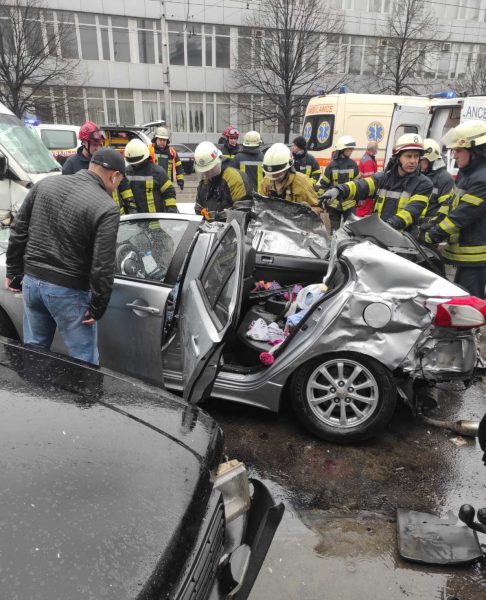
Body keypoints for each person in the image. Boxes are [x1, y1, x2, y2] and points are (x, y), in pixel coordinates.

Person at [5, 148, 124, 365]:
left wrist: (13, 270)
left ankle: (35, 397)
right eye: (119, 181)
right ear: (114, 176)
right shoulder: (107, 207)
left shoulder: (45, 184)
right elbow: (102, 264)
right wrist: (98, 306)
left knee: (35, 354)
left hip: (32, 284)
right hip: (70, 292)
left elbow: (19, 230)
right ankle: (84, 400)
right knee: (83, 362)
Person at [418, 121, 486, 298]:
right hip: (463, 253)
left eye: (458, 150)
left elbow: (462, 215)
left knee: (469, 305)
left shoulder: (482, 179)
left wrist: (433, 235)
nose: (454, 155)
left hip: (476, 257)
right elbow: (450, 203)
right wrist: (431, 223)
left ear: (475, 150)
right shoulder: (467, 173)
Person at [322, 133, 432, 232]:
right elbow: (361, 185)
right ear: (397, 157)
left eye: (416, 156)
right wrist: (339, 190)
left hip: (404, 244)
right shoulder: (383, 178)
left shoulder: (424, 184)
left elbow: (411, 212)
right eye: (408, 156)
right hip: (380, 236)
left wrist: (387, 225)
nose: (413, 161)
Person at [194, 141, 251, 221]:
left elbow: (243, 212)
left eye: (210, 169)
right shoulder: (205, 181)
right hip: (210, 231)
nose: (207, 174)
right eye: (204, 171)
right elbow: (199, 207)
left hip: (231, 231)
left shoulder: (234, 178)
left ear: (218, 162)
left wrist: (217, 217)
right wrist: (202, 214)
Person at [119, 138, 177, 213]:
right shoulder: (127, 171)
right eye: (133, 163)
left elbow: (169, 192)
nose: (135, 164)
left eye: (137, 162)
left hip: (155, 218)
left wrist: (171, 211)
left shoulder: (158, 172)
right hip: (134, 218)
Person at [259, 143, 320, 210]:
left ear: (288, 169)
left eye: (278, 173)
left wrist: (308, 210)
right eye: (271, 174)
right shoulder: (266, 181)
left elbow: (317, 208)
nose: (274, 177)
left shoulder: (302, 183)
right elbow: (261, 205)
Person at [318, 136, 360, 231]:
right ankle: (334, 245)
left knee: (350, 230)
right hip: (334, 205)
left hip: (349, 204)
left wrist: (360, 198)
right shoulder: (331, 166)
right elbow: (324, 184)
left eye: (352, 149)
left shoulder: (353, 165)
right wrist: (320, 201)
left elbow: (358, 183)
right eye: (349, 149)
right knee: (334, 230)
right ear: (342, 149)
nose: (351, 151)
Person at [419, 138, 453, 221]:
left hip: (429, 224)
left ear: (432, 159)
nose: (418, 163)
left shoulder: (445, 178)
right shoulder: (419, 175)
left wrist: (431, 223)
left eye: (421, 160)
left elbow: (445, 208)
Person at [151, 127, 184, 192]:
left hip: (167, 183)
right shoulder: (150, 150)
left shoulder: (171, 151)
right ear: (156, 139)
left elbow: (178, 165)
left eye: (164, 140)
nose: (162, 142)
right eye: (160, 139)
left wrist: (180, 179)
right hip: (154, 183)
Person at [356, 141, 378, 217]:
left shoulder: (366, 157)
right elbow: (370, 179)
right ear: (374, 150)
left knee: (362, 209)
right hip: (367, 190)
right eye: (376, 149)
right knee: (364, 210)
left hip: (363, 188)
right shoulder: (369, 161)